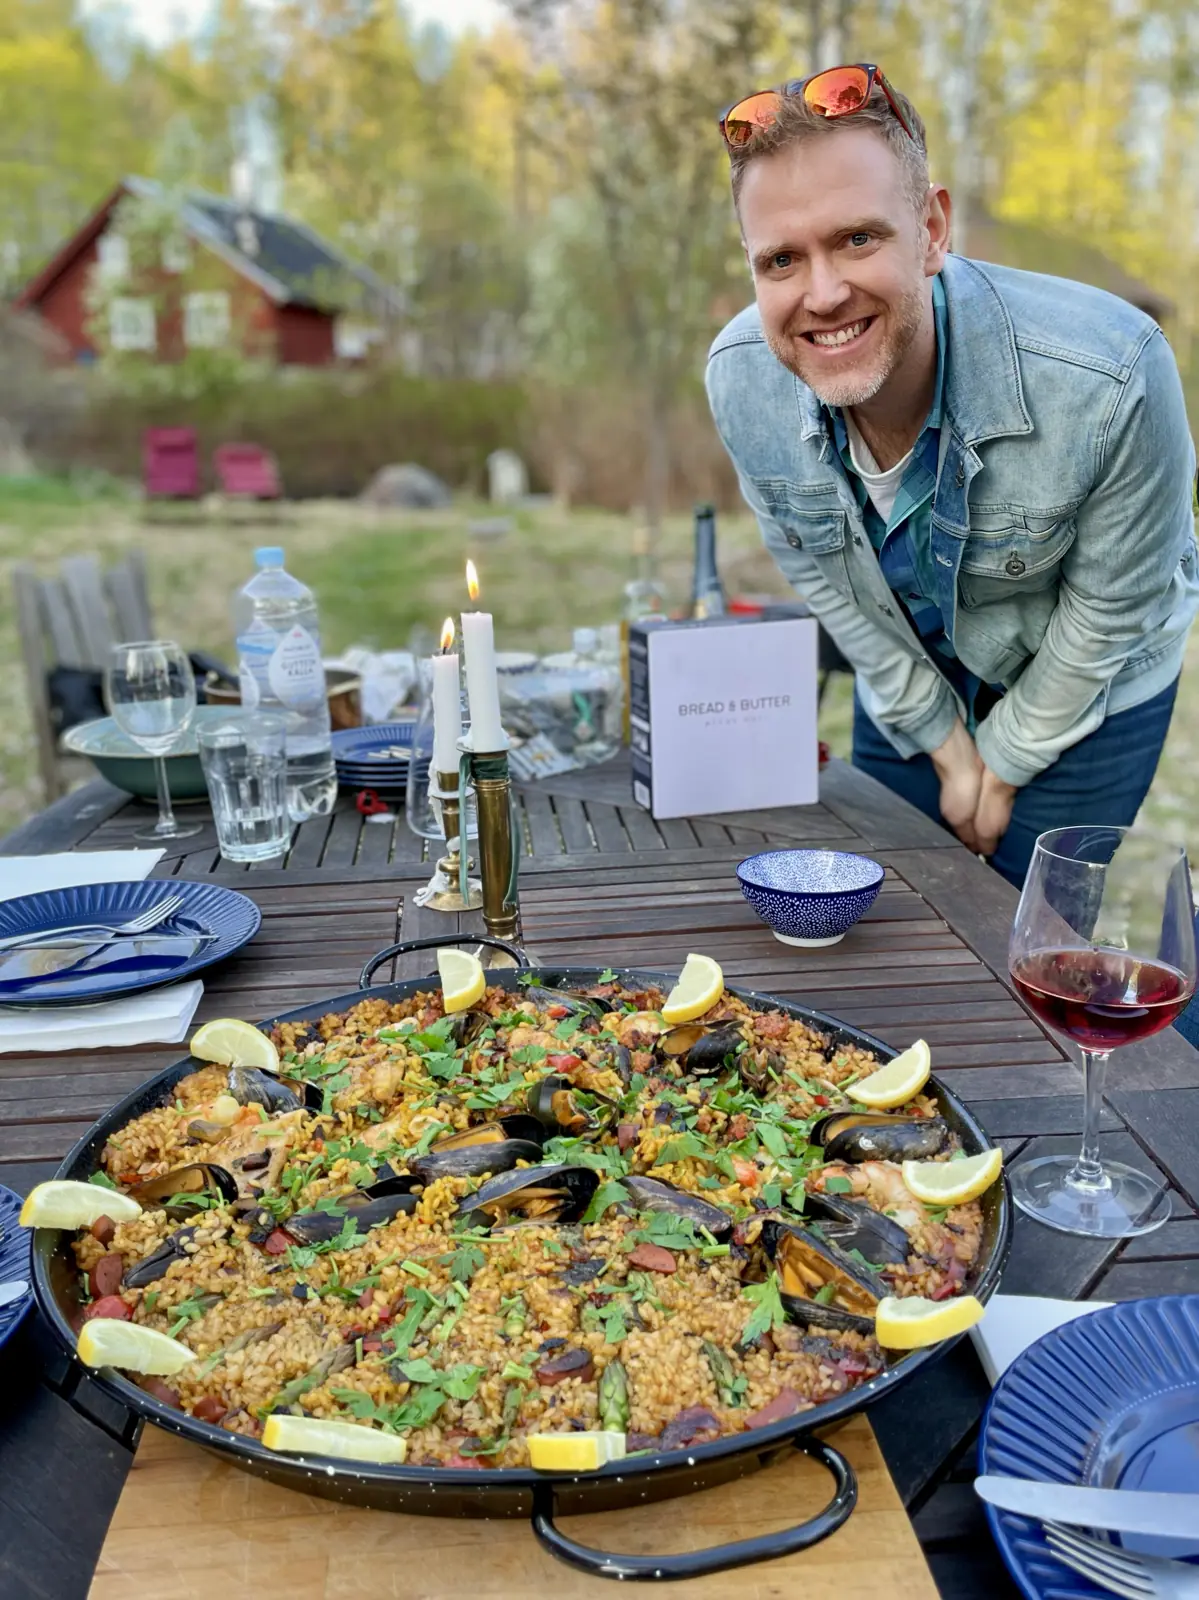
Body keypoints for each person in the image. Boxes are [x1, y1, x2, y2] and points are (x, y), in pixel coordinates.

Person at [705, 65, 1199, 887]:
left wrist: (996, 766)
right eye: (781, 260)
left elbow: (1112, 607)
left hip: (1093, 663)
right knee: (888, 908)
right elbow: (818, 574)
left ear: (931, 229)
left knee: (1024, 932)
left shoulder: (1114, 376)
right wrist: (941, 743)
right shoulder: (740, 379)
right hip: (910, 657)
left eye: (857, 238)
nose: (822, 294)